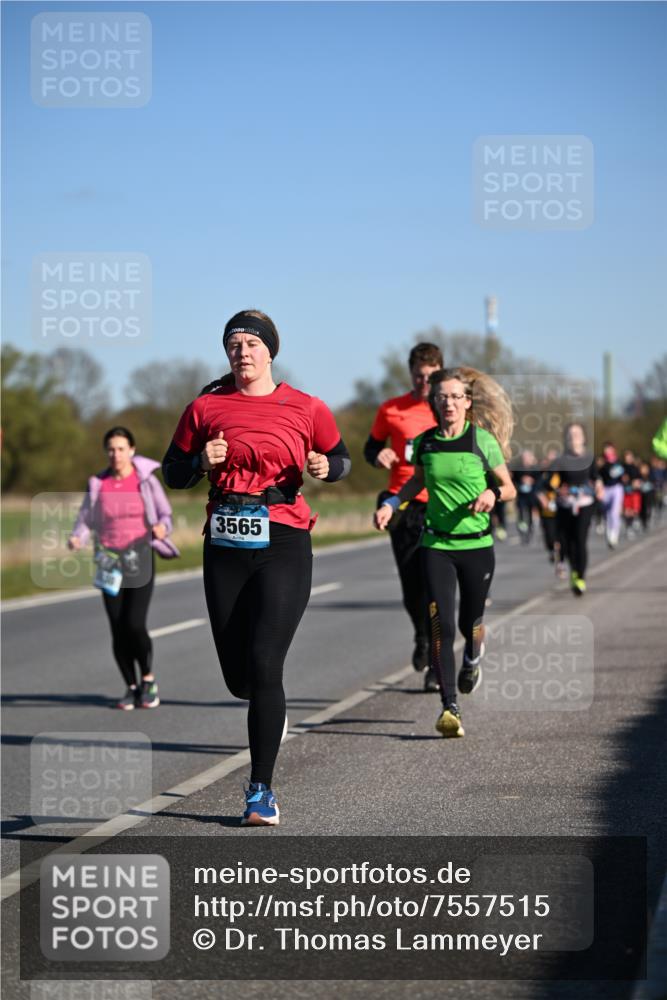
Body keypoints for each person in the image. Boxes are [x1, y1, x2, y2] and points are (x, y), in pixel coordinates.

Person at [162, 309, 350, 826]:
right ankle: (266, 707)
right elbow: (172, 471)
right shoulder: (205, 407)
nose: (241, 351)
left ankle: (260, 790)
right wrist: (202, 461)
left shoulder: (307, 406)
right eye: (233, 343)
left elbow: (342, 459)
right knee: (239, 676)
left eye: (250, 343)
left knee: (267, 662)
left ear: (270, 351)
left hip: (284, 536)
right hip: (224, 541)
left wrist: (324, 468)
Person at [375, 367, 515, 739]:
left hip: (477, 546)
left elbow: (509, 487)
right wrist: (393, 503)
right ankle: (449, 706)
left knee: (472, 623)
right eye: (442, 397)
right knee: (442, 626)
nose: (449, 403)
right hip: (436, 545)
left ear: (467, 403)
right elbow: (416, 482)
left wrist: (492, 494)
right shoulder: (425, 443)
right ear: (433, 402)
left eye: (456, 397)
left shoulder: (482, 441)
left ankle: (473, 659)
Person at [69, 427, 178, 709]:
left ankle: (148, 678)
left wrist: (162, 528)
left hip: (139, 557)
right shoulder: (98, 483)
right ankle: (130, 687)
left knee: (134, 623)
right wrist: (77, 537)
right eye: (110, 449)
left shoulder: (145, 482)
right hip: (108, 560)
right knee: (117, 627)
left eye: (120, 448)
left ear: (132, 450)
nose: (115, 454)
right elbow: (85, 518)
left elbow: (166, 514)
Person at [364, 343, 443, 691]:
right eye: (419, 376)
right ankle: (422, 637)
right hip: (403, 506)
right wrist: (378, 455)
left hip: (442, 506)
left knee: (435, 587)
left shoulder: (451, 408)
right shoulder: (391, 409)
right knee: (412, 587)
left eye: (431, 376)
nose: (425, 382)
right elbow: (370, 447)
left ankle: (437, 665)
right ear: (411, 374)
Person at [539, 423, 603, 597]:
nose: (574, 436)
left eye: (577, 433)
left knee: (580, 539)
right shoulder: (560, 460)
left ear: (583, 437)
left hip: (584, 504)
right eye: (570, 434)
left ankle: (579, 576)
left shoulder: (589, 458)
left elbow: (596, 477)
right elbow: (547, 482)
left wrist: (599, 486)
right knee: (566, 543)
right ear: (566, 439)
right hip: (564, 505)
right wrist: (557, 490)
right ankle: (573, 569)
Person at [597, 442, 625, 548]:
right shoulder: (602, 462)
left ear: (613, 450)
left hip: (616, 488)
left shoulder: (618, 462)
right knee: (607, 513)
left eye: (609, 449)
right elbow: (598, 475)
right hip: (605, 489)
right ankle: (609, 536)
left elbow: (623, 475)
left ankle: (614, 535)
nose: (607, 451)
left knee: (614, 512)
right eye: (605, 449)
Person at [512, 449, 540, 545]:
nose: (526, 459)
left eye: (527, 457)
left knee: (530, 513)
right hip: (521, 496)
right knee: (521, 513)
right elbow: (513, 481)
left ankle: (530, 531)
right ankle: (522, 530)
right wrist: (521, 482)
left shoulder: (535, 469)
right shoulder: (518, 469)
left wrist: (532, 481)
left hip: (531, 496)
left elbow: (539, 482)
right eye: (524, 457)